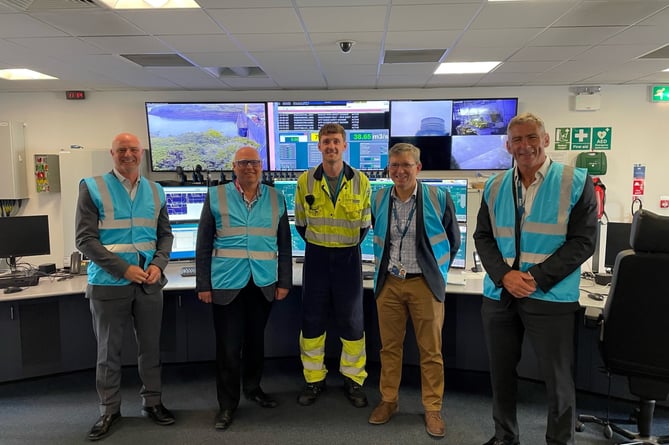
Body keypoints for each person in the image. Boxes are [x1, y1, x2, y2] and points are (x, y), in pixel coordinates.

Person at [473, 112, 598, 445]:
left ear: (545, 140)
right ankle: (505, 437)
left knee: (557, 380)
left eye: (531, 137)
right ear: (508, 145)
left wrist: (534, 278)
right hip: (501, 295)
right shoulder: (495, 185)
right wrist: (504, 276)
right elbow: (483, 237)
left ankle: (559, 441)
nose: (524, 146)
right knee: (501, 375)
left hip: (550, 296)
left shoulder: (576, 181)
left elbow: (583, 242)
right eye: (517, 139)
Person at [75, 132, 175, 441]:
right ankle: (109, 410)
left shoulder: (156, 191)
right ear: (112, 153)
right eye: (122, 150)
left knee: (150, 349)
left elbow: (165, 235)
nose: (127, 154)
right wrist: (124, 269)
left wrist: (158, 264)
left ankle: (153, 402)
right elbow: (85, 240)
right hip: (108, 284)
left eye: (133, 149)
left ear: (141, 152)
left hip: (148, 283)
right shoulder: (92, 188)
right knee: (109, 352)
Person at [195, 146, 292, 430]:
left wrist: (284, 281)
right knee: (228, 347)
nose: (250, 167)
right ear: (234, 167)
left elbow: (284, 245)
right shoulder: (216, 196)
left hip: (262, 282)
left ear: (262, 166)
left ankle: (253, 388)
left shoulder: (277, 198)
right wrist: (203, 284)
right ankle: (227, 405)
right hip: (226, 283)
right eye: (244, 163)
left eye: (255, 162)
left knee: (256, 343)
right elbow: (203, 245)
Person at [368, 143, 460, 439]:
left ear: (418, 168)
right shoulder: (379, 198)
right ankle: (389, 400)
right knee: (389, 348)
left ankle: (432, 409)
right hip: (391, 283)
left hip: (424, 284)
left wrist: (438, 276)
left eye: (406, 165)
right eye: (394, 165)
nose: (399, 171)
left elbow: (452, 240)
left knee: (431, 351)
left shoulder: (438, 197)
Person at [294, 122, 371, 408]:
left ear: (344, 145)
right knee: (312, 320)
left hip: (349, 258)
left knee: (352, 320)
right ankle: (314, 379)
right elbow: (301, 223)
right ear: (319, 146)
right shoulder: (305, 181)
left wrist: (343, 243)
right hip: (316, 257)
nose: (331, 147)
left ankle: (354, 379)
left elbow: (364, 225)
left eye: (336, 141)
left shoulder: (362, 181)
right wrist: (323, 242)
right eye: (326, 142)